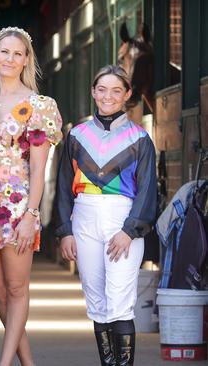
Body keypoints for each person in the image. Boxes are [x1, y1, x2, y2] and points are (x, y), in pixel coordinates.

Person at [0, 27, 63, 366]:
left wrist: (31, 215)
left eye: (17, 53)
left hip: (17, 210)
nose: (10, 58)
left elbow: (39, 169)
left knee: (16, 290)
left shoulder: (38, 105)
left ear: (26, 60)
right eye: (4, 51)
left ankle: (4, 362)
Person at [56, 65, 157, 366]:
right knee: (97, 303)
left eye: (116, 90)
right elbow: (63, 186)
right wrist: (65, 230)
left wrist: (130, 230)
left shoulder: (140, 139)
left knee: (120, 303)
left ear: (127, 94)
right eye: (102, 89)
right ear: (93, 92)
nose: (108, 96)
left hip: (122, 220)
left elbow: (148, 190)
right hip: (83, 218)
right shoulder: (76, 136)